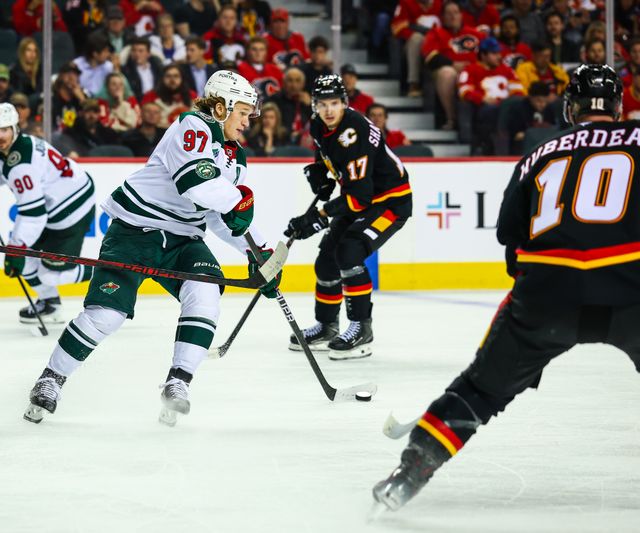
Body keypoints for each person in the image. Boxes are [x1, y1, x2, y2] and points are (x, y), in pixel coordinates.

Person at [371, 64, 638, 515]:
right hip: (632, 289)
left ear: (571, 108)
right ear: (618, 106)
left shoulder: (541, 152)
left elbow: (509, 238)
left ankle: (408, 474)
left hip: (549, 293)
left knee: (480, 390)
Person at [22, 70, 279, 427]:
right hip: (134, 232)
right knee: (106, 316)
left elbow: (222, 216)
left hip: (183, 240)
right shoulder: (192, 128)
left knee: (206, 292)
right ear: (220, 107)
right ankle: (51, 378)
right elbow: (196, 185)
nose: (248, 120)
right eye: (242, 111)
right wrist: (237, 202)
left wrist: (257, 250)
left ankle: (178, 382)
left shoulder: (235, 158)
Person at [284, 75, 412, 360]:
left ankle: (362, 329)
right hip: (361, 198)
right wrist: (320, 171)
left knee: (350, 251)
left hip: (390, 203)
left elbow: (359, 198)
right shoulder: (318, 123)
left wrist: (318, 216)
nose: (329, 110)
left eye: (335, 103)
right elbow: (326, 153)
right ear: (314, 105)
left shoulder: (354, 131)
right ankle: (327, 325)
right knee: (327, 259)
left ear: (344, 103)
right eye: (322, 104)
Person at [0, 103, 96, 324]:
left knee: (50, 274)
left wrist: (16, 248)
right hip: (57, 201)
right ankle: (50, 304)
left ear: (15, 128)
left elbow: (34, 214)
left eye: (4, 130)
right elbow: (4, 166)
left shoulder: (22, 165)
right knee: (26, 262)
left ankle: (103, 272)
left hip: (72, 208)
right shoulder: (15, 146)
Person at [421, 0, 484, 130]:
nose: (453, 16)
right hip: (451, 71)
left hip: (475, 71)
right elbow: (430, 57)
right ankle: (452, 119)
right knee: (447, 73)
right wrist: (453, 64)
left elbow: (489, 53)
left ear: (461, 15)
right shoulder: (436, 33)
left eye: (456, 12)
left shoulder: (475, 34)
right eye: (448, 13)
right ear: (442, 17)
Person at [458, 36, 525, 155]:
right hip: (485, 109)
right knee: (492, 112)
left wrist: (509, 103)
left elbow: (518, 90)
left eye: (499, 53)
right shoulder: (471, 69)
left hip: (507, 108)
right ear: (483, 55)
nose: (499, 56)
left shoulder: (507, 70)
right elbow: (464, 90)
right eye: (494, 53)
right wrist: (482, 98)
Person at [391, 0, 442, 98]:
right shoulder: (406, 3)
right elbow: (396, 28)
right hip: (412, 45)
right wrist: (420, 33)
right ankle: (414, 83)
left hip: (437, 42)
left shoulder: (440, 4)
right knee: (417, 38)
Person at [267, 67, 312, 146]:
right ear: (284, 83)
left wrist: (310, 105)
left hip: (305, 142)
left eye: (298, 81)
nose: (294, 85)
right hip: (281, 142)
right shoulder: (274, 100)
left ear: (303, 84)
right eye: (290, 80)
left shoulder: (308, 101)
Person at [72, 32, 115, 96]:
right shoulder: (77, 65)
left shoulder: (108, 67)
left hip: (102, 102)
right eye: (105, 51)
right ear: (95, 54)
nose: (108, 54)